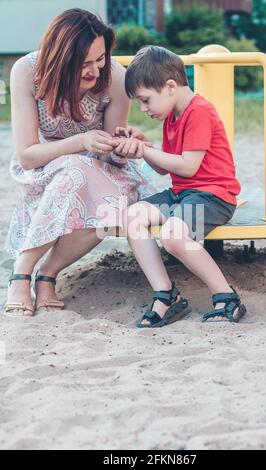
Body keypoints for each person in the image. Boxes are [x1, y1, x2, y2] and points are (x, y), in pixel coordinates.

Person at [4, 9, 155, 317]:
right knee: (73, 170)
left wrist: (122, 146)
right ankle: (25, 274)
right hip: (46, 166)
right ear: (60, 59)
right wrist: (79, 143)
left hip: (99, 169)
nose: (95, 71)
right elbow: (27, 155)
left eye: (100, 59)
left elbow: (108, 157)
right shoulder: (26, 72)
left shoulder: (115, 77)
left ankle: (40, 275)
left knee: (103, 196)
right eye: (85, 63)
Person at [114, 46, 247, 327]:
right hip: (182, 194)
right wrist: (144, 146)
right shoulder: (172, 114)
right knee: (132, 216)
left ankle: (226, 296)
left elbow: (188, 166)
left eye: (146, 100)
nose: (143, 109)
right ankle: (166, 294)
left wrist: (145, 151)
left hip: (214, 196)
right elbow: (166, 166)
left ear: (170, 86)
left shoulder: (199, 111)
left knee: (172, 236)